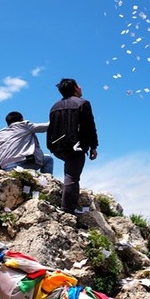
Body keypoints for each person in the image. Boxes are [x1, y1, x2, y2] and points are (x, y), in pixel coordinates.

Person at [46, 78, 98, 214]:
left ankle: (69, 204)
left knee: (70, 170)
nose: (81, 87)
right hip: (75, 146)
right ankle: (68, 209)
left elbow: (51, 127)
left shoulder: (54, 106)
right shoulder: (83, 103)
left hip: (57, 147)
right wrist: (93, 146)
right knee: (72, 177)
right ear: (75, 88)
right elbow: (89, 127)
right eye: (79, 85)